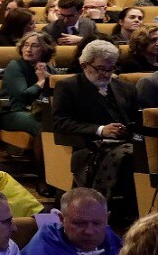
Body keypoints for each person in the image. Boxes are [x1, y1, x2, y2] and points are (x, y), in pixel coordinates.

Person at [53, 39, 139, 216]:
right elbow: (60, 122)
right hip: (90, 146)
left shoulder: (126, 88)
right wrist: (100, 130)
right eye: (101, 68)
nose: (107, 73)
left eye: (111, 68)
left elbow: (137, 121)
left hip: (127, 142)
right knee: (131, 157)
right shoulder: (68, 87)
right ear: (85, 65)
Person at [0, 31, 57, 135]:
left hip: (40, 111)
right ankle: (41, 152)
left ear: (45, 49)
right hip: (13, 112)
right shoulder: (15, 66)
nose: (28, 50)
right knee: (45, 125)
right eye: (26, 45)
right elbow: (22, 96)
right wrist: (41, 82)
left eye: (35, 46)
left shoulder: (49, 69)